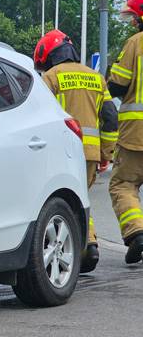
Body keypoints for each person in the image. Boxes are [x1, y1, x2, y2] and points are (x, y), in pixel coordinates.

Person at [35, 30, 118, 273]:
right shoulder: (96, 77)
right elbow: (110, 118)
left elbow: (38, 114)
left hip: (61, 151)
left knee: (66, 202)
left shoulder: (51, 77)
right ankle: (89, 245)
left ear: (50, 55)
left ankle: (86, 246)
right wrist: (106, 153)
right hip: (91, 153)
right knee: (80, 199)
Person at [108, 0, 143, 264]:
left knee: (123, 184)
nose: (132, 22)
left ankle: (137, 233)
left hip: (136, 134)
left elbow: (118, 84)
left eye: (134, 17)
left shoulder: (136, 43)